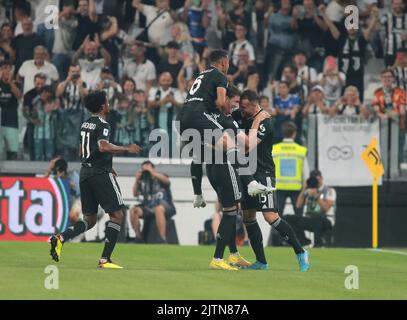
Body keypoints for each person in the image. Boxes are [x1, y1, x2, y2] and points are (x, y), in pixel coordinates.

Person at [179, 50, 271, 271]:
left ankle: (233, 254)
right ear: (223, 62)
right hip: (222, 167)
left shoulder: (202, 78)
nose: (236, 106)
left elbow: (196, 157)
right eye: (235, 101)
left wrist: (197, 192)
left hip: (188, 123)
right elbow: (223, 105)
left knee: (231, 209)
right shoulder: (220, 85)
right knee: (231, 209)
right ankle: (219, 258)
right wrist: (259, 122)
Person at [49, 90, 141, 269]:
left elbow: (84, 150)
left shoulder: (85, 124)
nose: (108, 103)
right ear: (102, 106)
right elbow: (103, 146)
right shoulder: (103, 124)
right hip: (99, 173)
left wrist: (107, 164)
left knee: (89, 220)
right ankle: (105, 259)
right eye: (107, 101)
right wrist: (126, 148)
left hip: (85, 172)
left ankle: (61, 238)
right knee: (117, 215)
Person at [232, 90, 310, 272]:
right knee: (248, 217)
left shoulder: (265, 121)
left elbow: (249, 145)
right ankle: (261, 261)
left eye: (244, 107)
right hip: (247, 173)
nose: (240, 111)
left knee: (270, 216)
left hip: (263, 173)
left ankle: (301, 251)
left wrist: (257, 121)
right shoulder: (239, 114)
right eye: (240, 107)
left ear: (254, 104)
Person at [286, 169, 336, 247]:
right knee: (288, 218)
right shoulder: (308, 190)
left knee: (317, 218)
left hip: (326, 220)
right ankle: (303, 240)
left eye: (317, 179)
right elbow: (298, 205)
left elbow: (326, 208)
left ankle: (318, 244)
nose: (316, 181)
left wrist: (316, 196)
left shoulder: (329, 190)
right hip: (310, 219)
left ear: (321, 178)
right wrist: (304, 189)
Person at [129, 160, 176, 243]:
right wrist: (137, 180)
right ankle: (139, 237)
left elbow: (167, 181)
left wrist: (152, 173)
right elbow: (135, 194)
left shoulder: (161, 177)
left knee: (158, 209)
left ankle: (162, 238)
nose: (146, 171)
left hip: (166, 206)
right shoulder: (143, 181)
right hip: (148, 207)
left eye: (148, 168)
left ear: (153, 168)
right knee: (134, 210)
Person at [273, 121, 309, 218]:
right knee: (299, 217)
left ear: (282, 133)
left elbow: (269, 169)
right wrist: (305, 191)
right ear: (294, 133)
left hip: (279, 188)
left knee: (277, 218)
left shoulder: (274, 149)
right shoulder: (301, 150)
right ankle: (298, 233)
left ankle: (277, 234)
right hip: (296, 189)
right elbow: (306, 175)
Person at [372, 68, 406, 164]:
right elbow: (375, 107)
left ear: (393, 79)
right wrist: (380, 114)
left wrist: (387, 114)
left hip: (398, 124)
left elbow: (402, 109)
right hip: (382, 125)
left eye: (389, 77)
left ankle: (396, 172)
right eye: (384, 77)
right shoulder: (377, 92)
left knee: (398, 148)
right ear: (381, 79)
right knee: (382, 148)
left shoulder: (401, 92)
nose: (386, 79)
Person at [0, 60, 22, 160]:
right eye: (4, 68)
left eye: (8, 68)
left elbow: (18, 96)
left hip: (11, 122)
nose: (6, 71)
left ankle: (11, 174)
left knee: (12, 151)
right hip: (0, 121)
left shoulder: (16, 84)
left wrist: (10, 83)